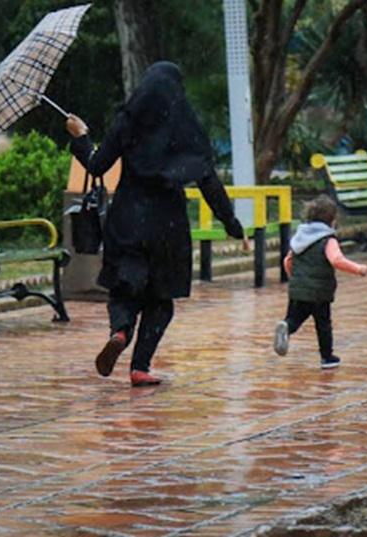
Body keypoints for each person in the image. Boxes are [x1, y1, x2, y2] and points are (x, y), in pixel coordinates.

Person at [66, 61, 247, 387]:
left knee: (124, 289)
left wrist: (82, 137)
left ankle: (120, 331)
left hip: (127, 220)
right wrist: (231, 223)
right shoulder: (186, 128)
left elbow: (97, 164)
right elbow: (209, 183)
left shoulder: (128, 121)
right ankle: (140, 367)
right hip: (168, 226)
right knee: (160, 301)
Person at [273, 195, 367, 369]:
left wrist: (294, 278)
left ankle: (286, 326)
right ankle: (327, 357)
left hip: (297, 288)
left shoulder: (300, 237)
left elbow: (288, 261)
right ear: (331, 220)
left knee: (295, 317)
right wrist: (358, 269)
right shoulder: (328, 240)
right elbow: (336, 260)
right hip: (319, 291)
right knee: (323, 323)